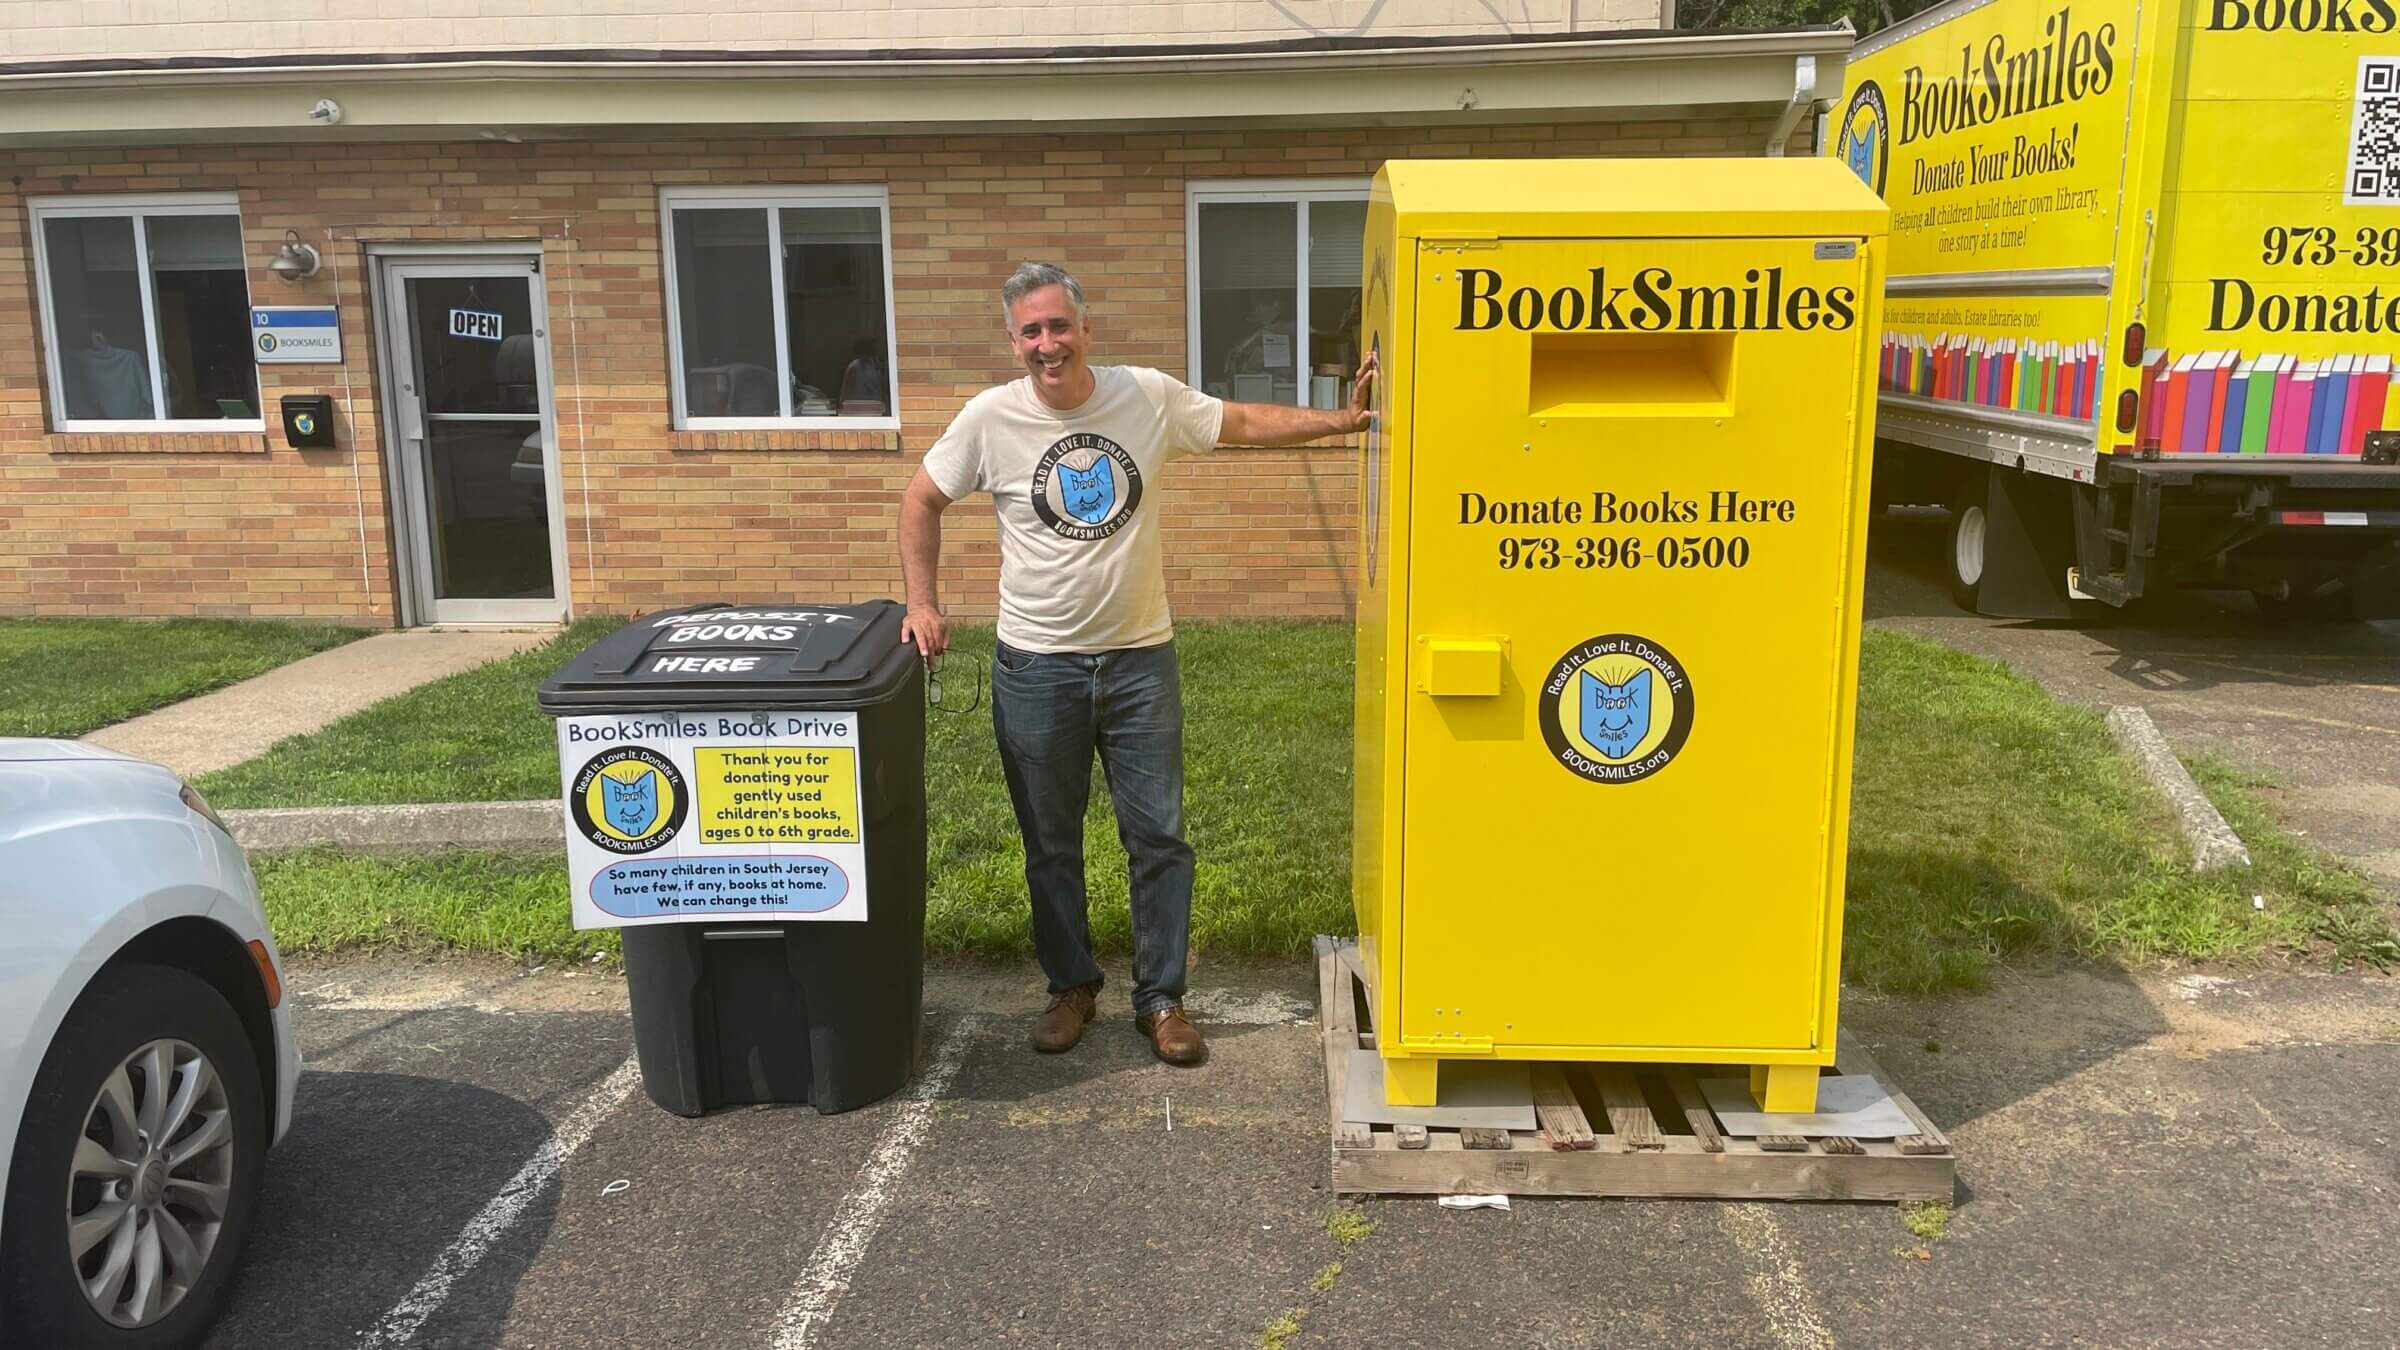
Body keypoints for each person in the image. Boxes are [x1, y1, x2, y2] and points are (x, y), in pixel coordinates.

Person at [898, 261, 1375, 1066]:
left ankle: (1162, 999)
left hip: (1138, 662)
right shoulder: (989, 418)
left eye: (1058, 325)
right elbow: (921, 500)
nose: (1048, 344)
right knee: (1049, 841)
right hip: (1037, 665)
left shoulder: (1145, 396)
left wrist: (1340, 423)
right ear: (1014, 342)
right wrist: (922, 601)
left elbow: (1243, 423)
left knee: (1158, 836)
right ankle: (1071, 985)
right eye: (1031, 332)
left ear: (1086, 328)